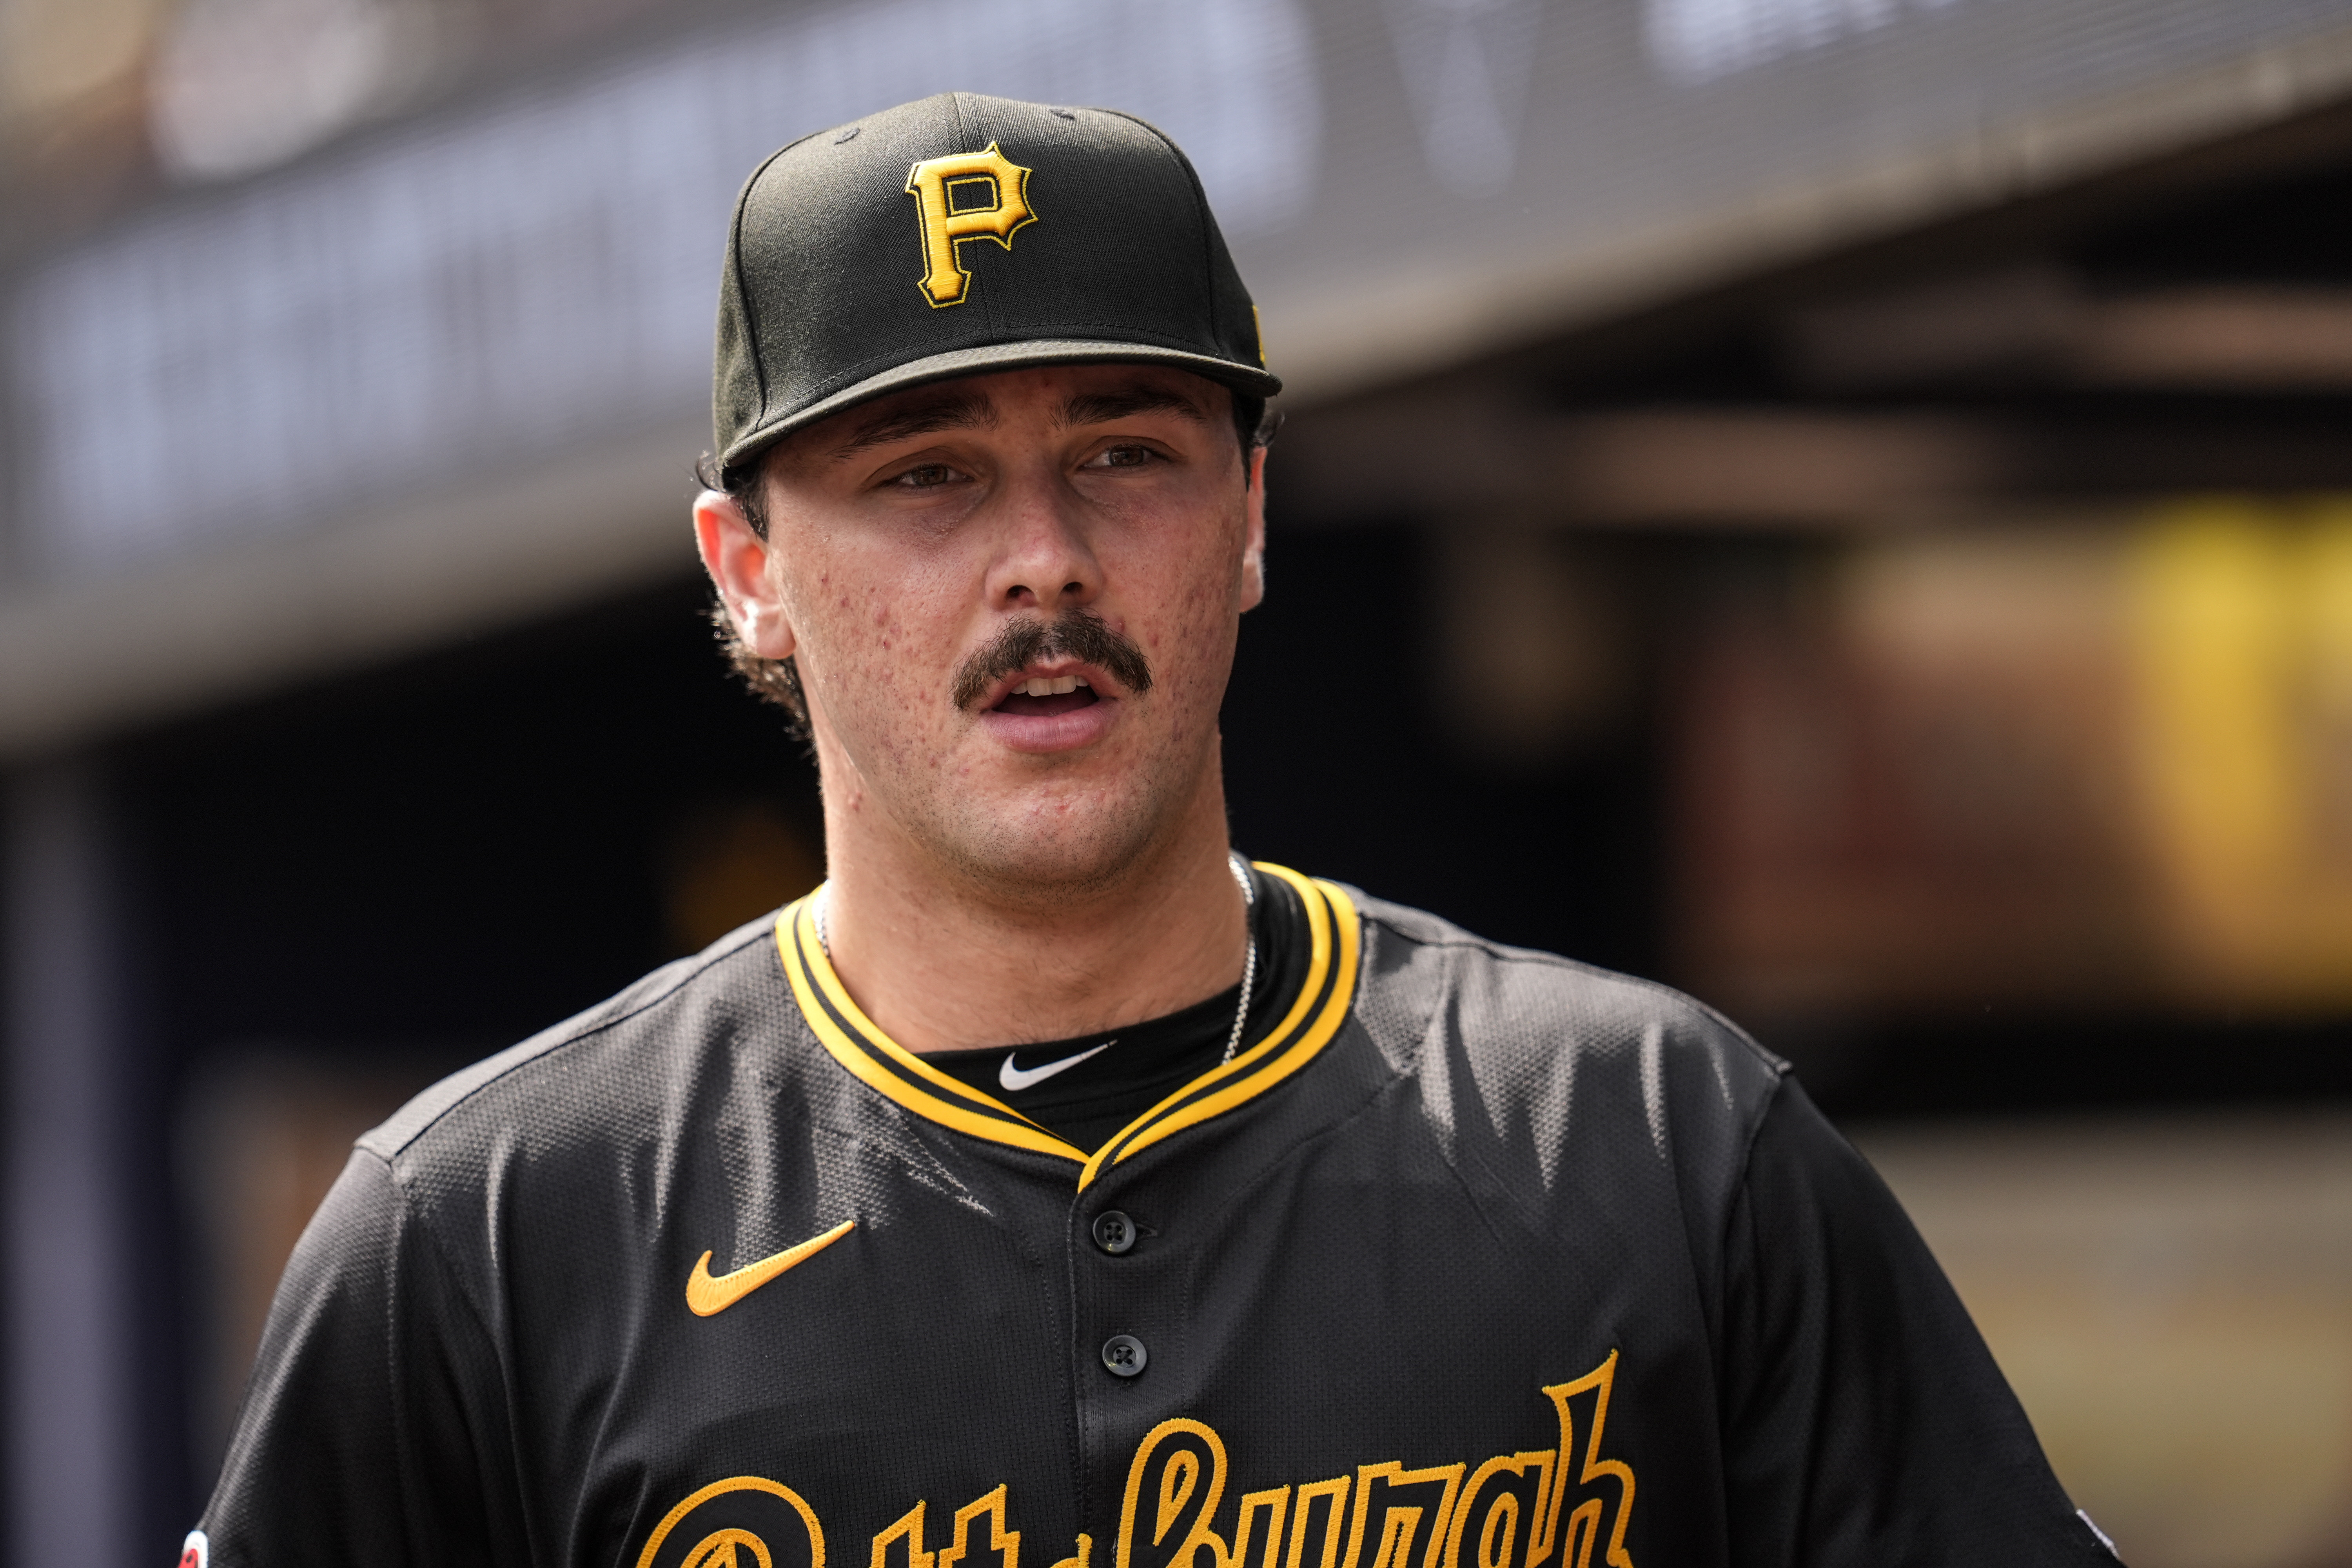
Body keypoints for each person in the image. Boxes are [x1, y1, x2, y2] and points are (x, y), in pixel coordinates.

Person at [187, 92, 2119, 1568]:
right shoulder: (487, 1236)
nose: (1045, 558)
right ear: (749, 569)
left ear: (1252, 509)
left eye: (1125, 450)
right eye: (926, 474)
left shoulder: (1657, 1143)